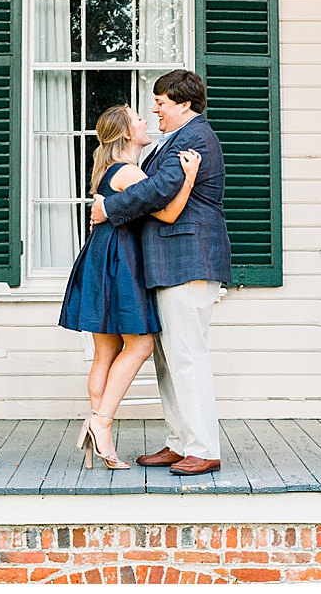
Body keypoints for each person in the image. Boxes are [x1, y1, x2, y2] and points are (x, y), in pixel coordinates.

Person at [90, 70, 230, 476]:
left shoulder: (195, 137)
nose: (155, 109)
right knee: (169, 359)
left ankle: (203, 448)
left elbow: (159, 190)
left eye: (162, 103)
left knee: (187, 357)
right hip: (169, 263)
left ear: (184, 104)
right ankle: (180, 442)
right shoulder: (174, 141)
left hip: (189, 258)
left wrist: (108, 208)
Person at [58, 104, 201, 470]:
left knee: (106, 351)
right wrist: (188, 177)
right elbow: (168, 212)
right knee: (140, 343)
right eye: (138, 118)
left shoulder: (109, 171)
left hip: (100, 257)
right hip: (119, 261)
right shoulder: (128, 173)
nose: (145, 121)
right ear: (126, 133)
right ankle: (101, 422)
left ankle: (95, 422)